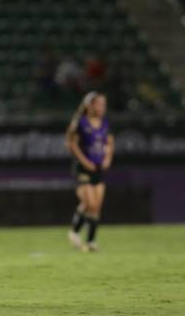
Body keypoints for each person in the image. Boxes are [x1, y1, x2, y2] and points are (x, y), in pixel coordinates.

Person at [66, 92, 115, 252]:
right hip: (83, 169)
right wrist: (85, 162)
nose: (102, 107)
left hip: (98, 169)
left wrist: (108, 158)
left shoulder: (104, 123)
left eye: (103, 104)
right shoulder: (80, 123)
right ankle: (74, 232)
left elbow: (109, 142)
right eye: (99, 104)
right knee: (90, 203)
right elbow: (71, 144)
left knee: (96, 206)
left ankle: (91, 241)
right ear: (90, 105)